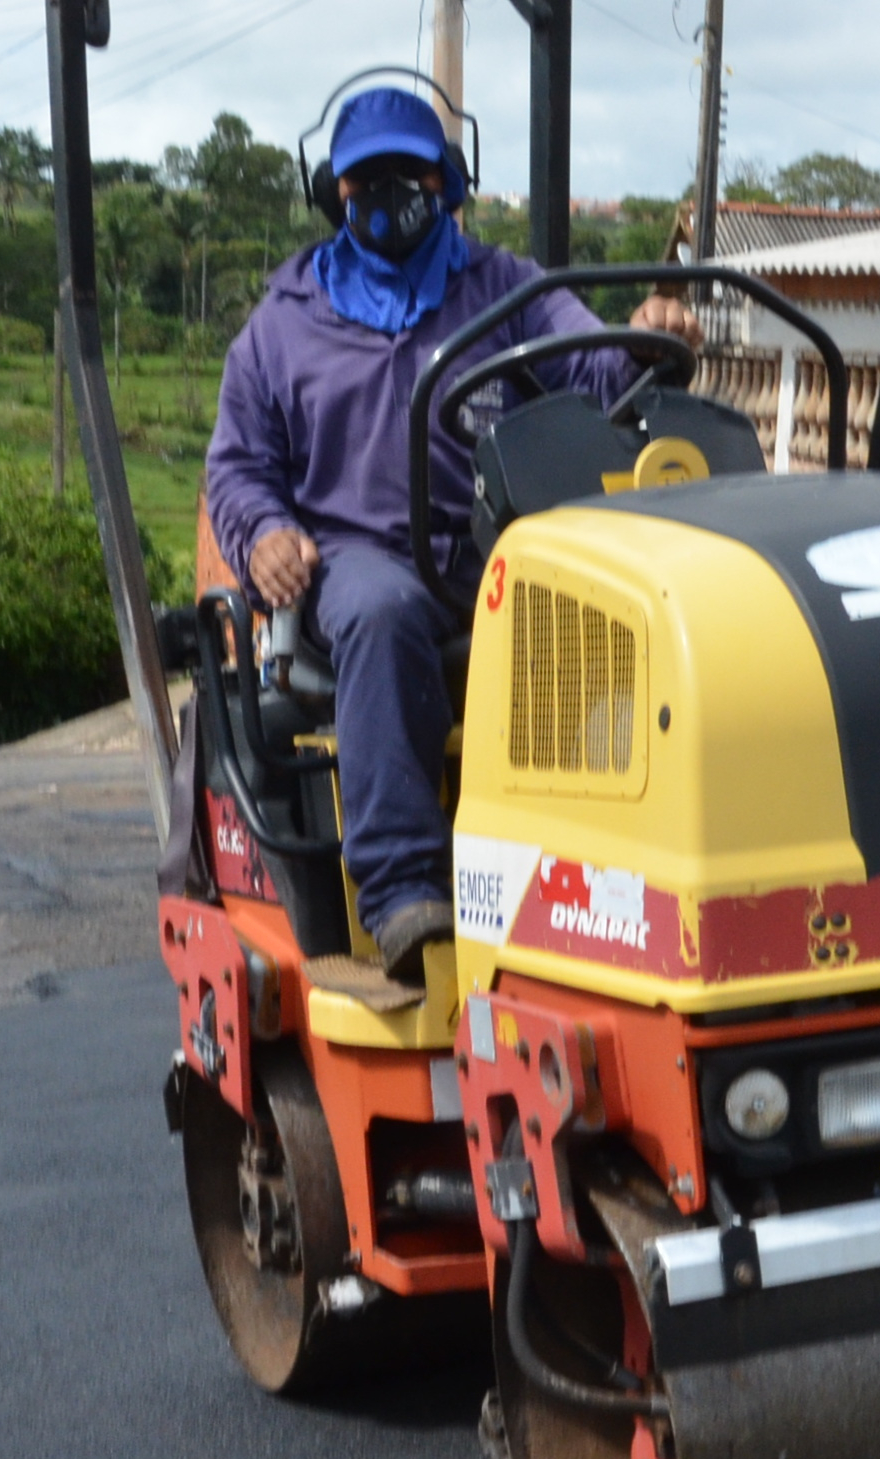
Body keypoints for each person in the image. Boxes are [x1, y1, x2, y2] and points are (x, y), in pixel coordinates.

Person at [206, 86, 701, 983]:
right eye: (369, 181)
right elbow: (237, 468)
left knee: (619, 601)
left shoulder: (505, 288)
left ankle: (613, 869)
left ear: (450, 182)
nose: (392, 195)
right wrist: (267, 533)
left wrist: (641, 335)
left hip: (485, 552)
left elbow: (589, 358)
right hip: (351, 566)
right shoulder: (280, 326)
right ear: (336, 194)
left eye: (413, 174)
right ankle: (402, 891)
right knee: (386, 610)